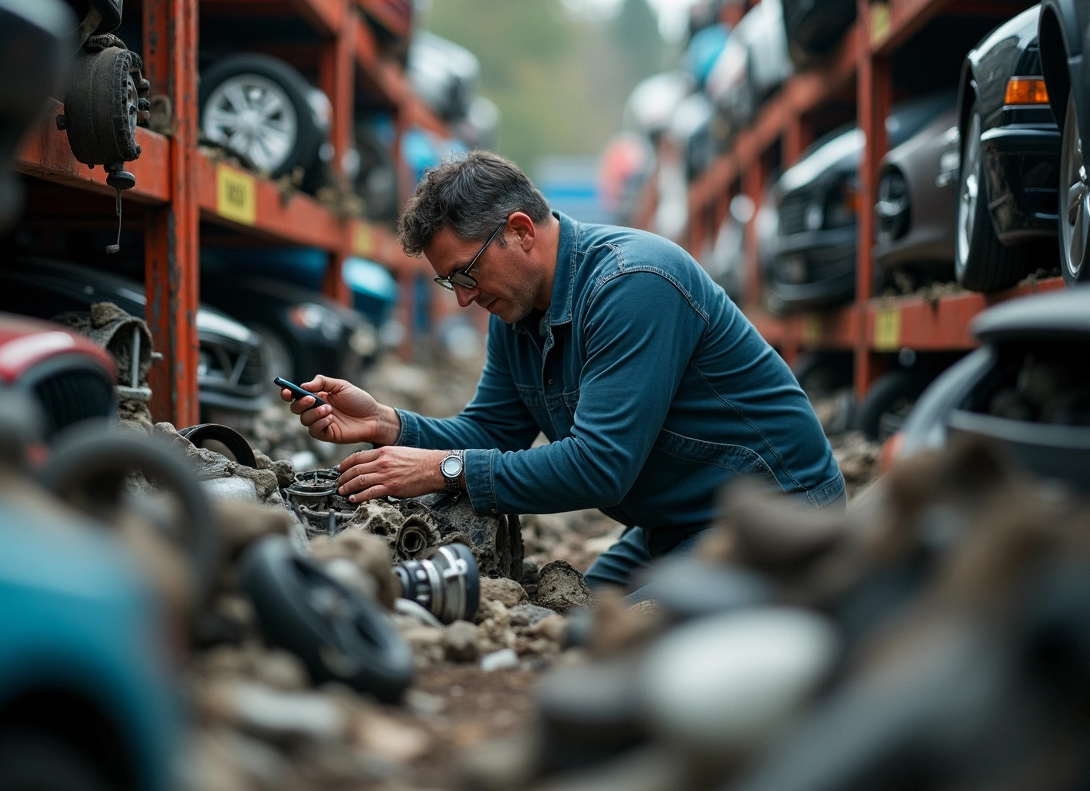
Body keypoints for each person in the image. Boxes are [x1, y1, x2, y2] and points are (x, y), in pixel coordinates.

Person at [279, 150, 844, 589]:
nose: (463, 300)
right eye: (450, 281)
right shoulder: (517, 307)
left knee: (630, 645)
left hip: (776, 515)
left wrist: (445, 469)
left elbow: (601, 467)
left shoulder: (634, 284)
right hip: (677, 524)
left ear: (521, 231)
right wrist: (388, 424)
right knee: (579, 621)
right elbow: (495, 432)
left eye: (466, 274)